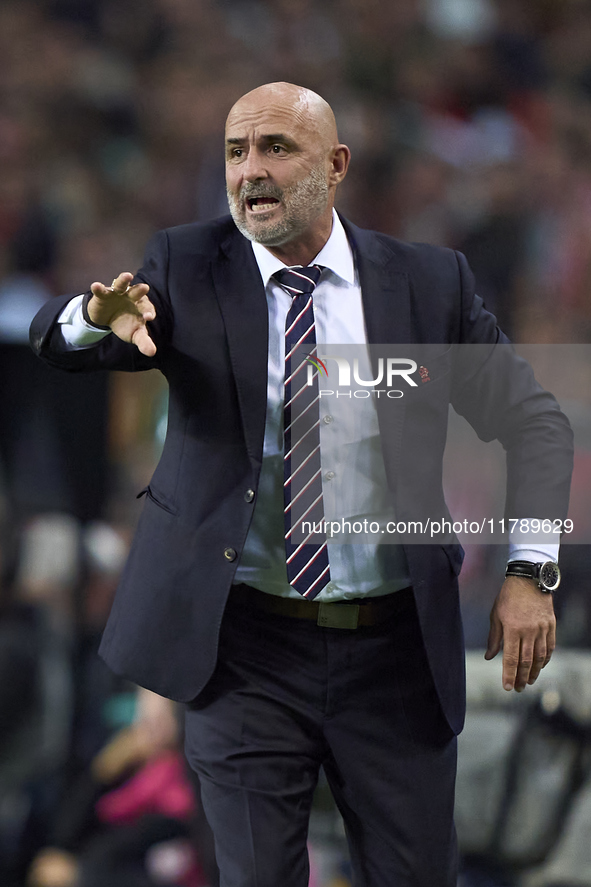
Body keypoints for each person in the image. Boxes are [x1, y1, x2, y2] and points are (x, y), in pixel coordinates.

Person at [30, 82, 573, 887]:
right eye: (235, 151)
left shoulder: (429, 284)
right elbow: (64, 340)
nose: (251, 169)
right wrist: (88, 316)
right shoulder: (185, 265)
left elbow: (534, 420)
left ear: (336, 164)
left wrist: (529, 572)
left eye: (276, 148)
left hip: (393, 649)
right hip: (243, 645)